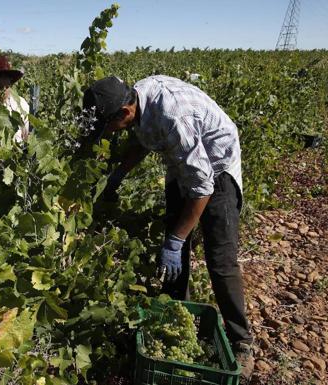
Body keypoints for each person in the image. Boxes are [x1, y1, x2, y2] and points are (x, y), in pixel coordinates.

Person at [81, 75, 254, 379]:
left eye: (109, 124)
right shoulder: (136, 101)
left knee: (220, 259)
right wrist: (118, 175)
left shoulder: (173, 117)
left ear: (124, 112)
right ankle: (176, 315)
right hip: (183, 163)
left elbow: (203, 187)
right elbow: (141, 140)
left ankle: (242, 341)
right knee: (174, 252)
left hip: (216, 167)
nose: (108, 131)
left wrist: (176, 240)